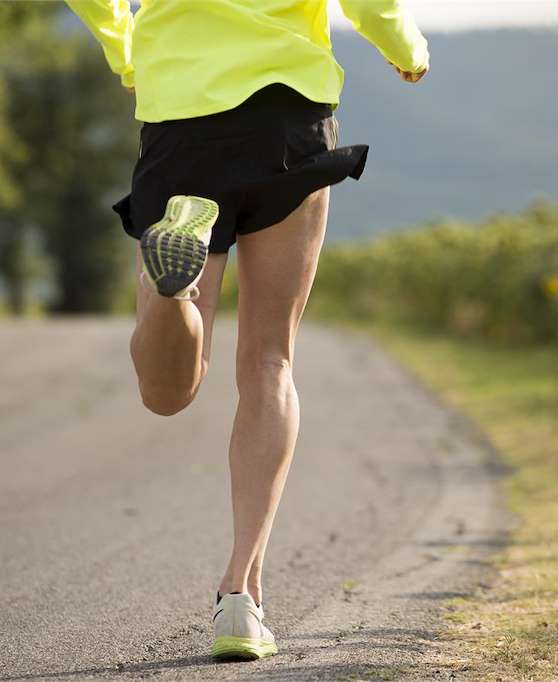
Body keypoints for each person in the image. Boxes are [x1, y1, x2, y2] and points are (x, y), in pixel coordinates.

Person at [63, 0, 429, 661]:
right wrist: (406, 49)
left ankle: (177, 290)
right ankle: (240, 597)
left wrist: (126, 50)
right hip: (289, 115)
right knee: (270, 364)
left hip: (180, 116)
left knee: (167, 393)